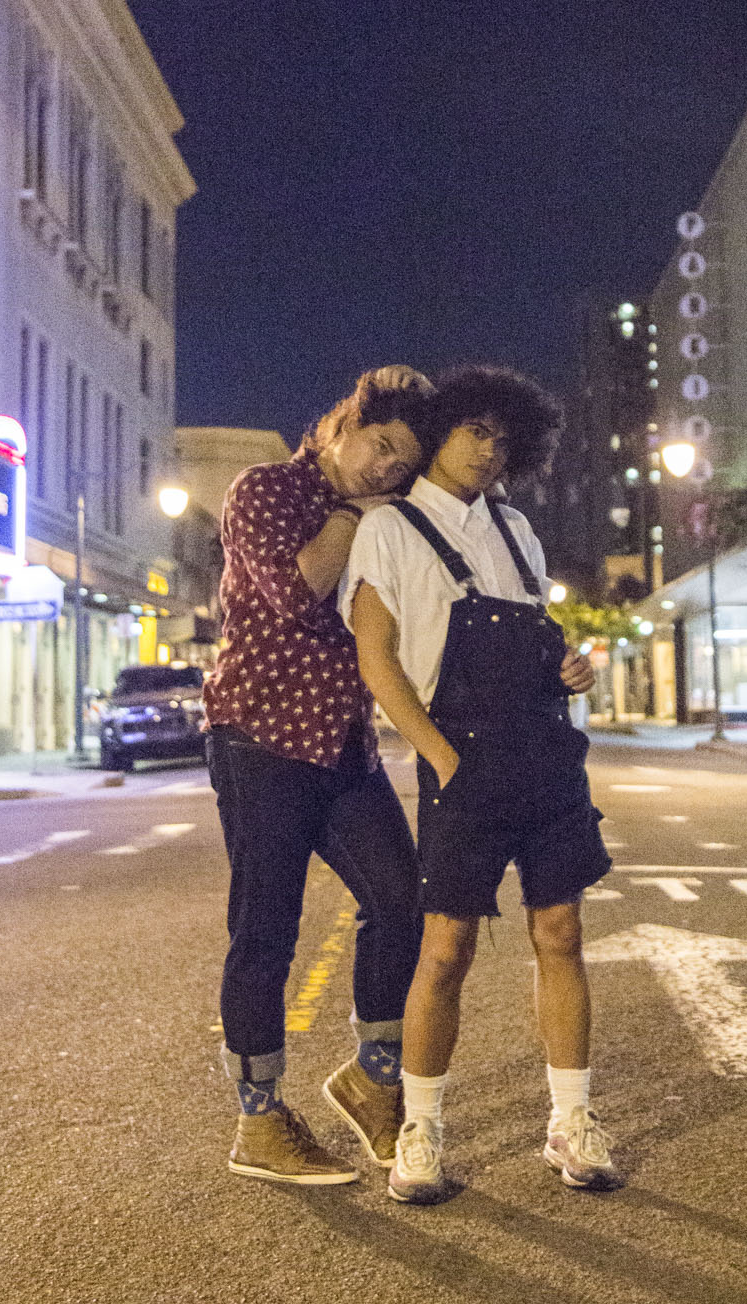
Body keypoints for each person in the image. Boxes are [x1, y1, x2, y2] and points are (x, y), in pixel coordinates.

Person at [344, 364, 618, 1206]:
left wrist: (569, 667)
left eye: (505, 439)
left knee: (561, 935)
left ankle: (570, 1121)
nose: (489, 451)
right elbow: (375, 660)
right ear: (443, 430)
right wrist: (438, 756)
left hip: (544, 756)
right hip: (460, 757)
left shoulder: (518, 531)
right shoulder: (387, 529)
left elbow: (535, 643)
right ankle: (419, 1130)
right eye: (476, 432)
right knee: (445, 950)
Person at [203, 365, 436, 1185]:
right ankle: (258, 1123)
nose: (387, 469)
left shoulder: (388, 516)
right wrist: (352, 511)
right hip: (259, 741)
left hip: (341, 748)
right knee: (266, 930)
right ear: (339, 427)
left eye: (402, 461)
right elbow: (300, 591)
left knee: (400, 897)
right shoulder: (265, 490)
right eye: (379, 445)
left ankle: (374, 1079)